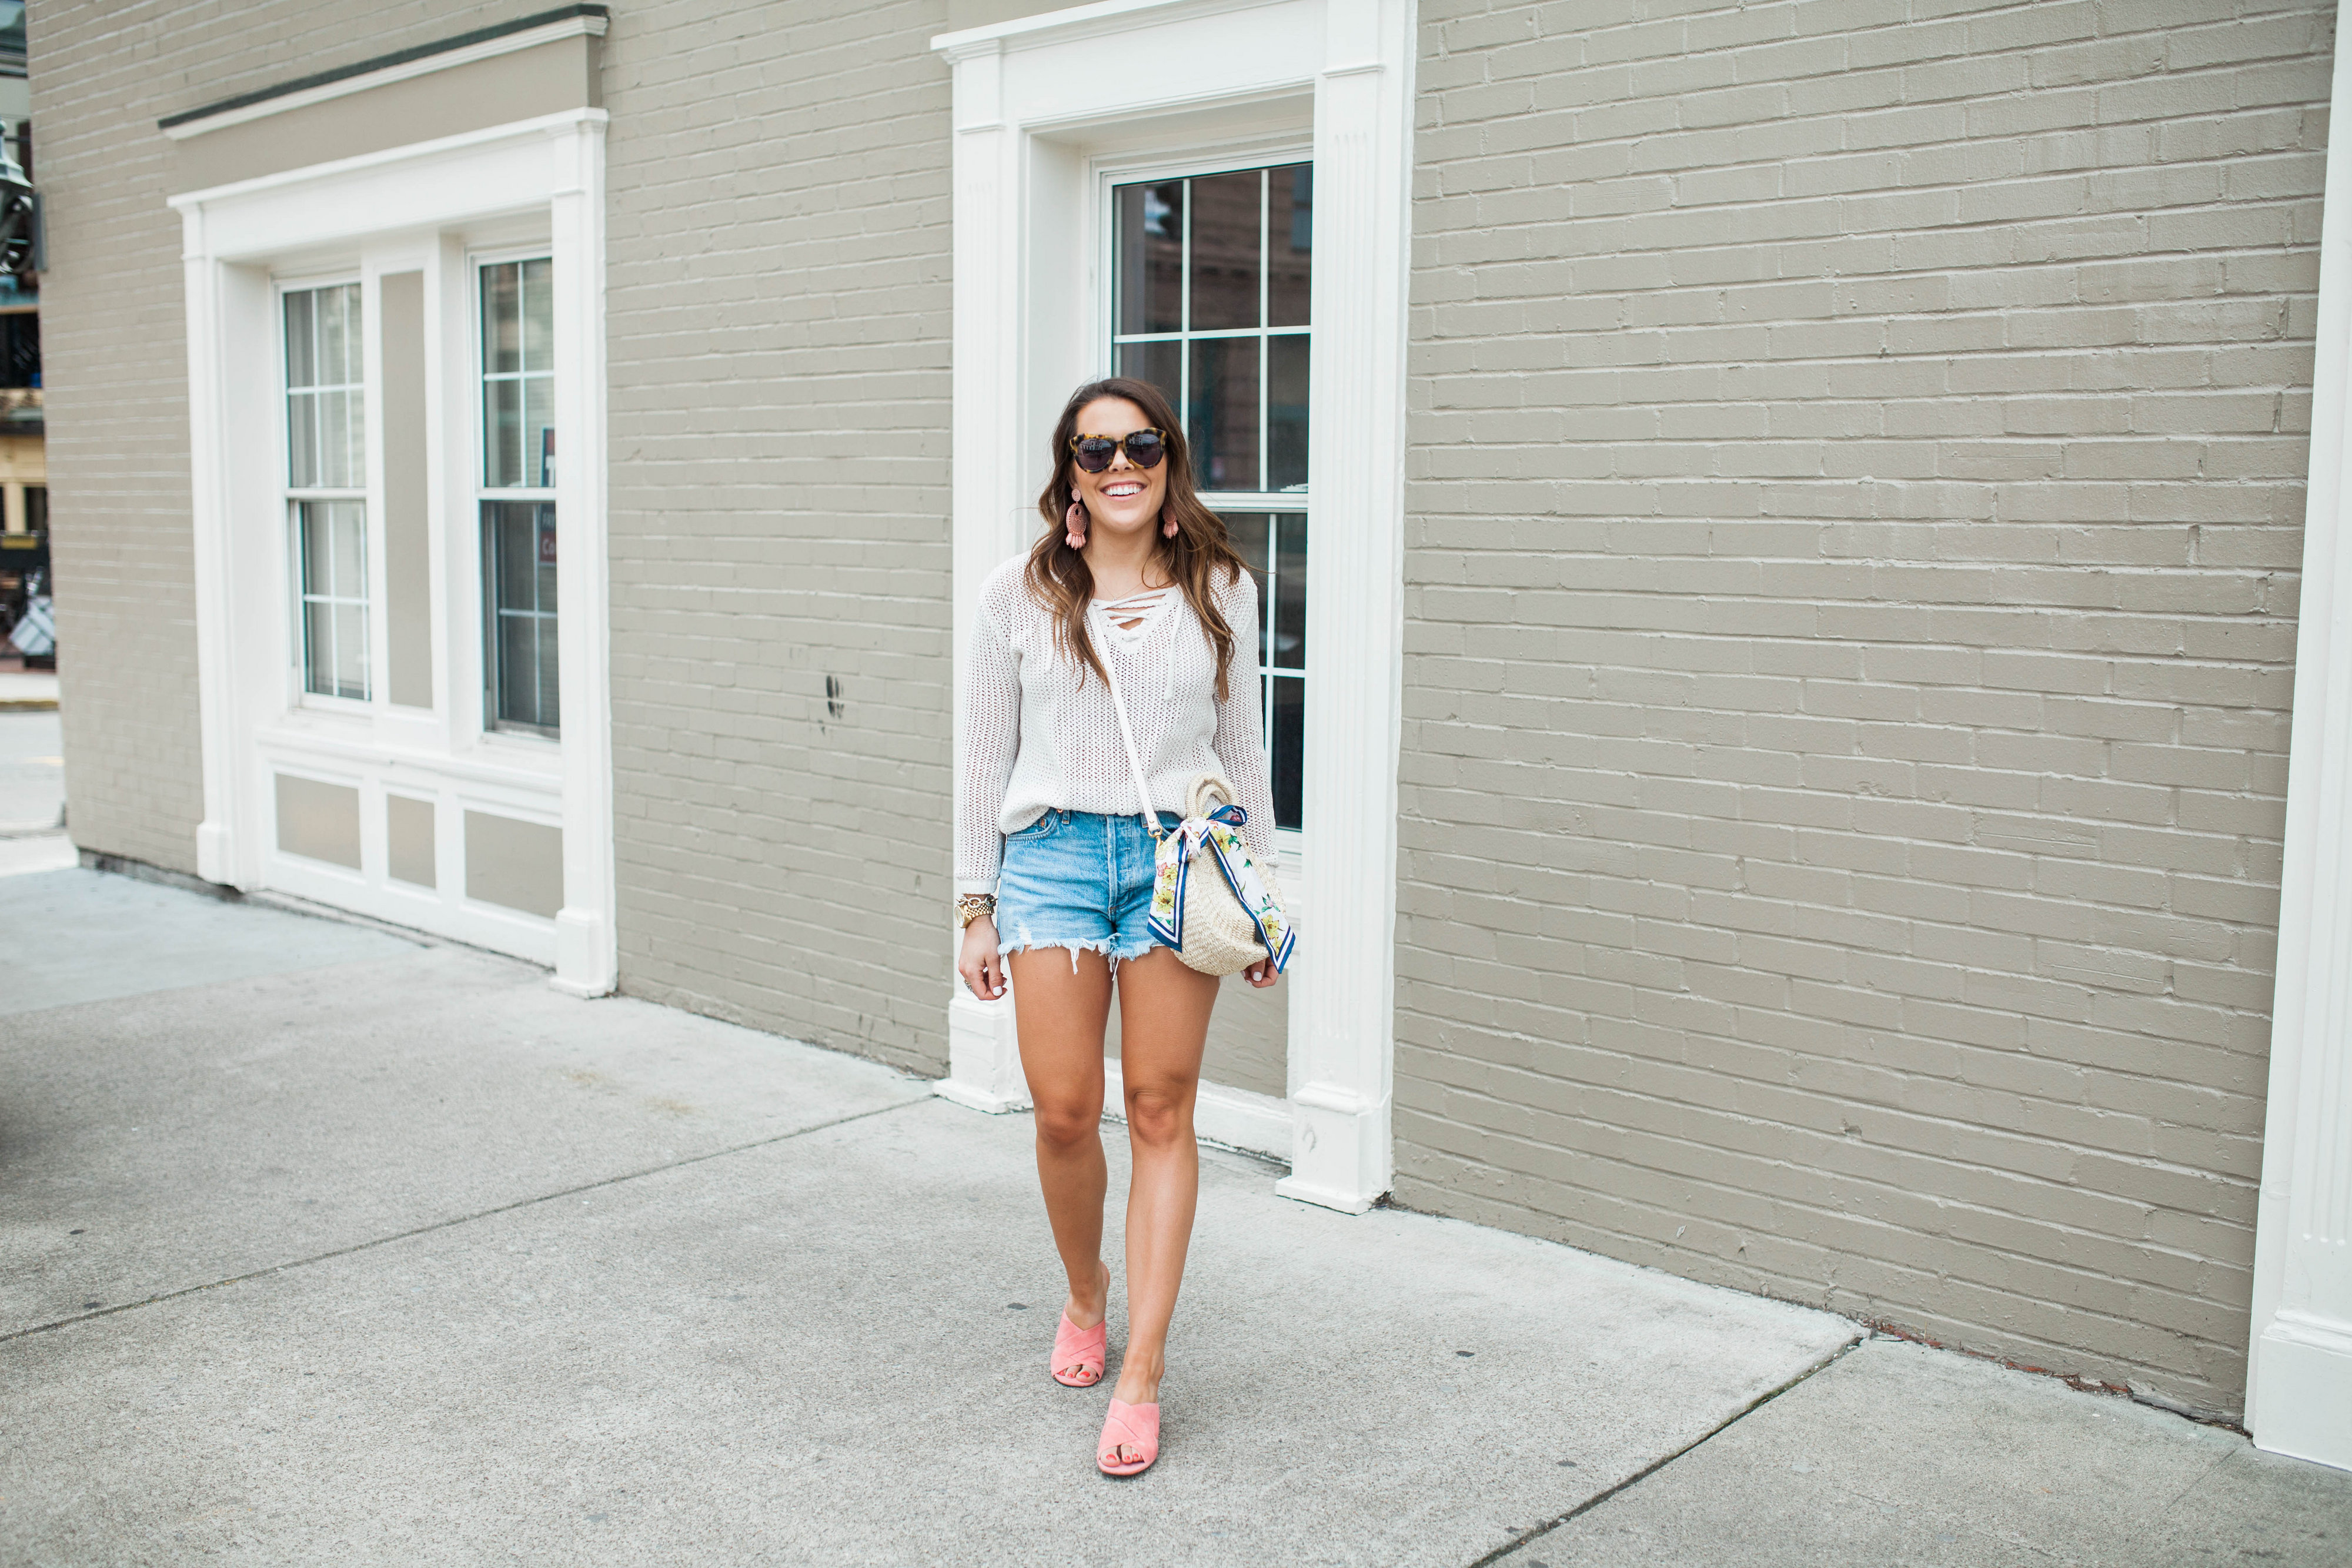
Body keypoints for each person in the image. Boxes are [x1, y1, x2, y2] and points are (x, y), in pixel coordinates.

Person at [954, 377, 1282, 1478]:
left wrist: (1260, 897)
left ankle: (1142, 1367)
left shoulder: (1220, 587)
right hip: (1048, 859)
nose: (1120, 463)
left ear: (1168, 459)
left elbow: (1243, 756)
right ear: (1071, 477)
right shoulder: (1020, 594)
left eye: (1139, 443)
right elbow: (980, 759)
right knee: (1061, 1109)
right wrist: (974, 902)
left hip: (1176, 864)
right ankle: (1085, 1297)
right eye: (1095, 451)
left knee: (1156, 1105)